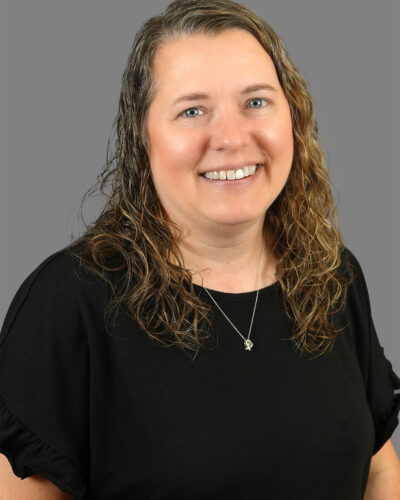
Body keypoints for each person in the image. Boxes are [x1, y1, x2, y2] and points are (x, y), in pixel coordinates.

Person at [1, 0, 399, 498]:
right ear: (142, 139)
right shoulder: (68, 302)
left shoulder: (331, 274)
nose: (232, 138)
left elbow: (378, 468)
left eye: (256, 102)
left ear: (292, 118)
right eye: (192, 111)